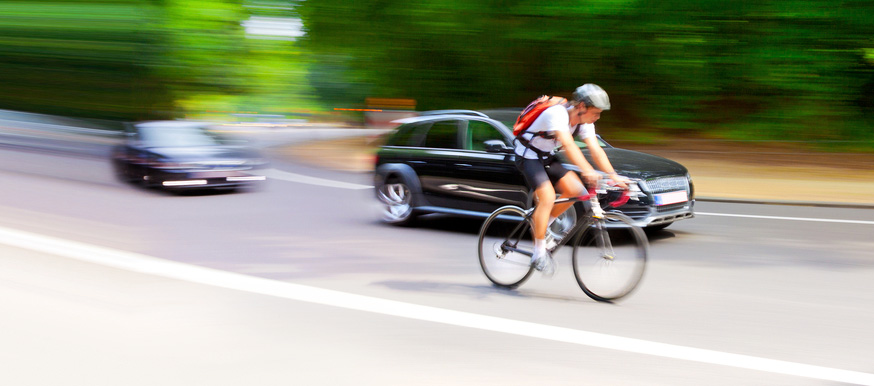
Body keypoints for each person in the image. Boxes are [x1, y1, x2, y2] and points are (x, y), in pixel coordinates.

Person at [513, 83, 627, 276]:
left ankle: (542, 224)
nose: (597, 117)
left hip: (546, 156)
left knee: (577, 191)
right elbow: (568, 144)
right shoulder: (557, 114)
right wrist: (588, 170)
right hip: (527, 155)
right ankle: (538, 253)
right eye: (596, 112)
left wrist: (614, 176)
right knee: (547, 197)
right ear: (581, 106)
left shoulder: (584, 122)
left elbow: (596, 150)